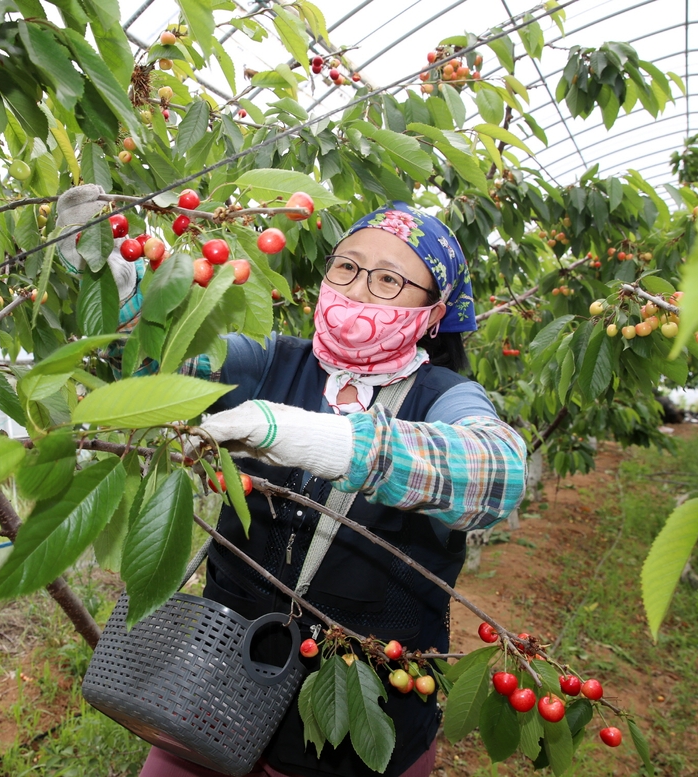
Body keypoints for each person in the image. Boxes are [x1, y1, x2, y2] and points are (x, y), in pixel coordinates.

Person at [129, 202, 528, 777]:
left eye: (390, 278)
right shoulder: (271, 361)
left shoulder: (444, 396)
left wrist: (313, 439)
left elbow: (500, 474)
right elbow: (160, 366)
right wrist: (125, 289)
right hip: (215, 689)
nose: (360, 290)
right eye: (347, 267)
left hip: (364, 707)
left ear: (434, 312)